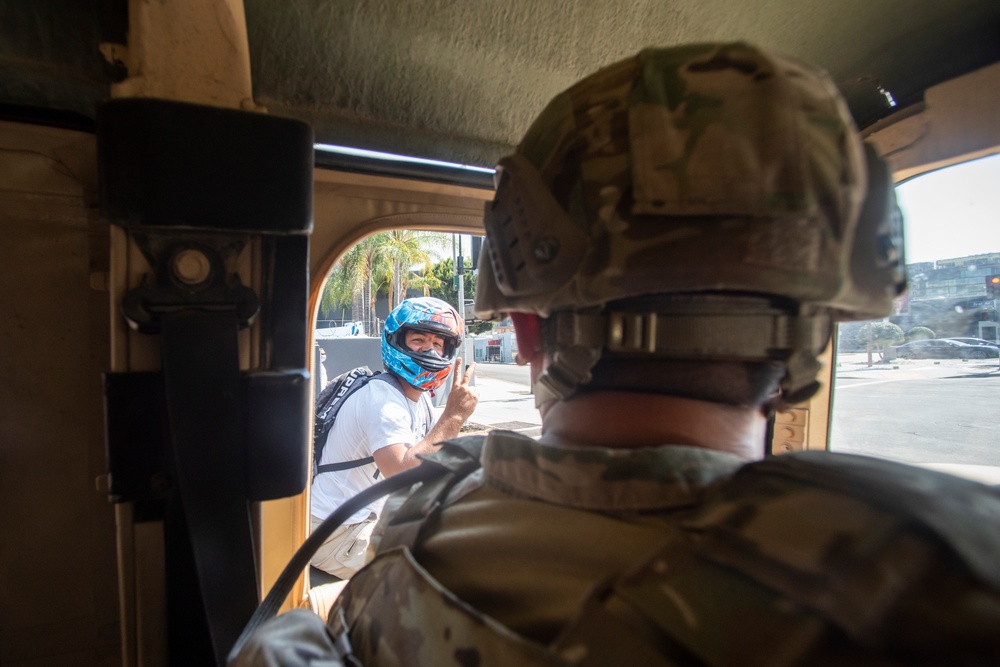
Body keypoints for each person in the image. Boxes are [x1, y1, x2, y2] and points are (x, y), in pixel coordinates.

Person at [234, 43, 1000, 666]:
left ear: (528, 328)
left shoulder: (419, 526)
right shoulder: (936, 586)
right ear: (821, 331)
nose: (431, 352)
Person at [309, 296, 479, 580]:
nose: (430, 350)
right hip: (336, 533)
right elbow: (401, 470)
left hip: (362, 520)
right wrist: (454, 416)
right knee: (446, 570)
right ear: (397, 341)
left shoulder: (416, 398)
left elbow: (433, 456)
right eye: (419, 340)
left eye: (438, 344)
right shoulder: (382, 397)